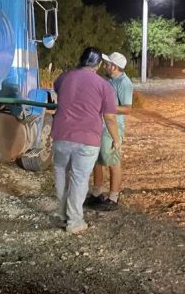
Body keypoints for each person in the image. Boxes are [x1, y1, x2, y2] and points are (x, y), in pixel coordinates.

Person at [51, 47, 120, 234]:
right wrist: (116, 138)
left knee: (62, 175)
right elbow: (110, 118)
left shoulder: (64, 77)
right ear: (97, 65)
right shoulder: (104, 85)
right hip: (88, 138)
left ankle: (64, 214)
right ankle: (74, 222)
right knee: (79, 178)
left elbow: (57, 91)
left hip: (61, 134)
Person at [87, 52, 133, 211]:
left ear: (114, 67)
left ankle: (113, 197)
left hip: (113, 127)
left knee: (113, 161)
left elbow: (127, 109)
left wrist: (107, 108)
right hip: (101, 125)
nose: (104, 66)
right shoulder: (108, 81)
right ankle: (97, 193)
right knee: (97, 160)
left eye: (107, 64)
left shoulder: (124, 83)